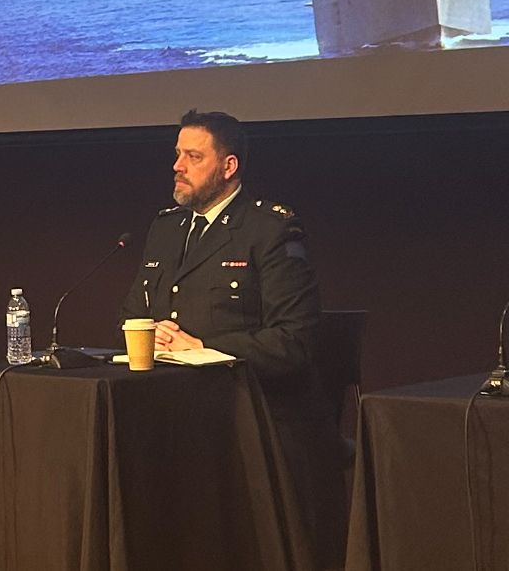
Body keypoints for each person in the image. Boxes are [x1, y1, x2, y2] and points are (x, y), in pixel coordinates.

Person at [118, 109, 344, 566]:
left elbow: (293, 342)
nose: (177, 165)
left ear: (229, 166)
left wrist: (204, 348)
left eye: (193, 156)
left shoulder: (270, 229)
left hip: (255, 421)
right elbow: (133, 314)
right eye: (177, 154)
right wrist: (154, 334)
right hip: (173, 417)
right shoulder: (165, 228)